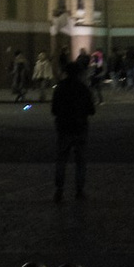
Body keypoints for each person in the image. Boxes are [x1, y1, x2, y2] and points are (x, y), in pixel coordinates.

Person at [52, 54, 94, 202]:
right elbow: (91, 110)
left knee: (61, 160)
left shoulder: (60, 88)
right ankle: (79, 191)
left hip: (63, 128)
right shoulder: (83, 89)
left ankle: (59, 190)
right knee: (80, 161)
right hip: (80, 128)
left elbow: (54, 110)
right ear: (79, 73)